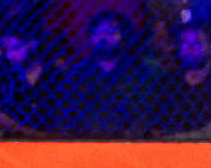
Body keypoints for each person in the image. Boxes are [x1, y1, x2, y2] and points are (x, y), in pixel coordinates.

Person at [59, 11, 152, 139]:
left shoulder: (138, 73)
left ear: (120, 36)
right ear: (91, 37)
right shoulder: (76, 76)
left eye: (110, 32)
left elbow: (143, 118)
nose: (104, 38)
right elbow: (66, 121)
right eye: (99, 32)